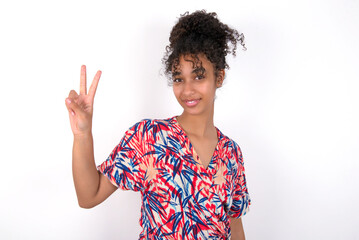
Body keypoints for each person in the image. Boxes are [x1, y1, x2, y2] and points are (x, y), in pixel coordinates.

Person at [65, 10, 251, 240]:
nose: (187, 89)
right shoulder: (148, 137)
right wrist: (82, 134)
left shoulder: (231, 153)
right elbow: (88, 196)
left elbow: (235, 227)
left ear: (219, 77)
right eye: (178, 78)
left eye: (199, 76)